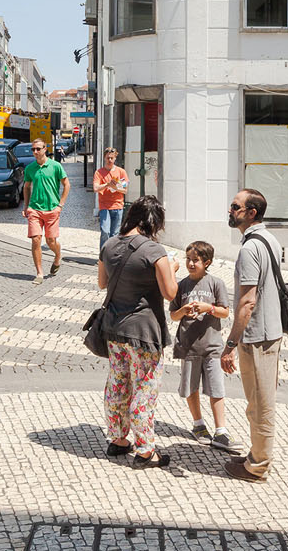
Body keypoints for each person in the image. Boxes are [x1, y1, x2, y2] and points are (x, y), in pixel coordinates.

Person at [98, 194, 178, 467]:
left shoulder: (109, 245)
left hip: (114, 328)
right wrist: (172, 268)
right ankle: (145, 448)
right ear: (153, 222)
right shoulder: (154, 251)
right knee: (145, 387)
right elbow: (170, 293)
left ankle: (118, 438)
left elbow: (101, 282)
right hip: (144, 331)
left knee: (118, 383)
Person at [221, 188, 283, 483]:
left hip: (257, 335)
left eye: (235, 206)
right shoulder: (269, 239)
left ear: (251, 213)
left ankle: (257, 466)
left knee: (259, 404)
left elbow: (247, 302)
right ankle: (257, 455)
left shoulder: (249, 249)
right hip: (272, 331)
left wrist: (231, 343)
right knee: (261, 400)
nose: (230, 210)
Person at [170, 241, 244, 453]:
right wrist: (183, 311)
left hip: (212, 346)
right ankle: (198, 424)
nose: (191, 264)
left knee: (216, 387)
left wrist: (208, 308)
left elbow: (225, 312)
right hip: (188, 347)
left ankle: (221, 430)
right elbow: (173, 316)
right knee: (190, 387)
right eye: (188, 259)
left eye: (196, 260)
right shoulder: (181, 286)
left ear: (207, 262)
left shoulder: (215, 283)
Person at [22, 139, 70, 284]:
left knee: (50, 241)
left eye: (38, 149)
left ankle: (57, 257)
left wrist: (60, 205)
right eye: (33, 150)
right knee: (36, 239)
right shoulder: (30, 168)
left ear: (45, 149)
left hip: (52, 209)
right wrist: (26, 206)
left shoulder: (55, 166)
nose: (35, 152)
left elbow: (67, 184)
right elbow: (26, 187)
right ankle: (39, 273)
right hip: (35, 209)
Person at [93, 147, 129, 251]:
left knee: (115, 234)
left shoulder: (121, 172)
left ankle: (112, 255)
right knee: (105, 231)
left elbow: (125, 190)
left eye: (112, 158)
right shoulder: (99, 173)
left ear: (115, 158)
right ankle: (103, 255)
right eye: (108, 158)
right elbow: (96, 188)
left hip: (118, 205)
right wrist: (107, 185)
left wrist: (116, 187)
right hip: (104, 206)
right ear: (104, 157)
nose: (110, 160)